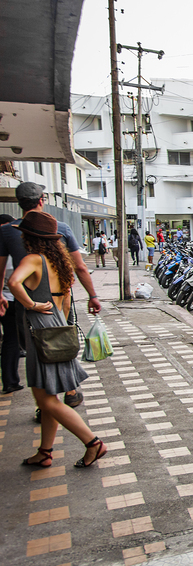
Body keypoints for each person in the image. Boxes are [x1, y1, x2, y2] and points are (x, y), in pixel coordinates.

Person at [9, 211, 107, 469]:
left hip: (41, 331)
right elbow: (64, 304)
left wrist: (30, 304)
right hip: (58, 329)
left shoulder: (33, 259)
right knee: (49, 394)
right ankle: (45, 451)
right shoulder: (59, 263)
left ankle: (93, 443)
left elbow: (13, 282)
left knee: (46, 400)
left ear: (29, 237)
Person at [0, 182, 101, 411]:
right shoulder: (60, 227)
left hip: (28, 305)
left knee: (38, 349)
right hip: (60, 300)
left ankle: (47, 401)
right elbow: (80, 267)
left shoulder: (7, 231)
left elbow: (4, 271)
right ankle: (67, 391)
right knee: (61, 341)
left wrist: (13, 298)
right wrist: (92, 295)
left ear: (19, 202)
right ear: (42, 200)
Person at [0, 214, 22, 395]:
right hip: (15, 300)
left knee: (10, 340)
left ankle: (9, 381)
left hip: (5, 299)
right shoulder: (13, 250)